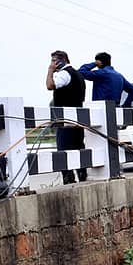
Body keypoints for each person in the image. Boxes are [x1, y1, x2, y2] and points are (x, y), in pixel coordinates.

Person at [46, 50, 87, 184]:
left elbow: (50, 85)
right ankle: (82, 177)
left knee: (63, 150)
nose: (52, 63)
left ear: (62, 60)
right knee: (79, 148)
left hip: (66, 119)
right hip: (78, 118)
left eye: (53, 61)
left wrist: (50, 70)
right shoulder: (78, 75)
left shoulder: (64, 74)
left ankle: (68, 179)